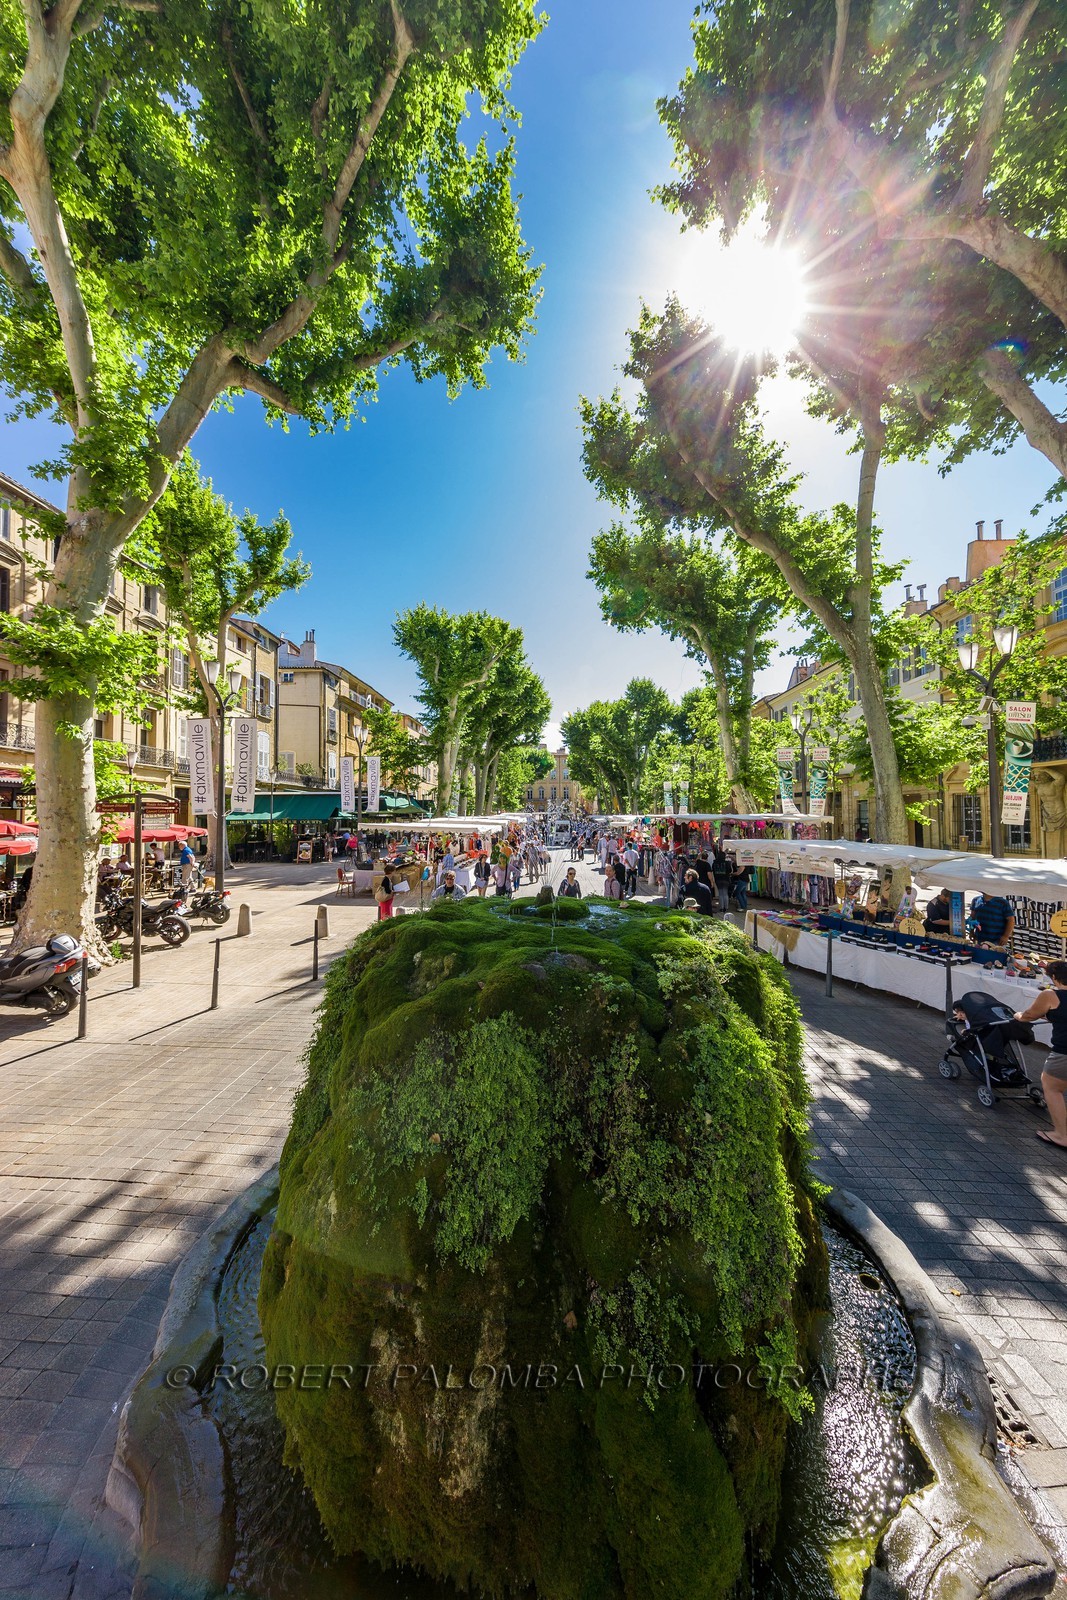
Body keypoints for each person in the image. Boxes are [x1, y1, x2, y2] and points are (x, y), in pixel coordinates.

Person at [1013, 960, 1067, 1151]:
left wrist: (1018, 1015)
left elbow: (1028, 1016)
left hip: (1064, 1052)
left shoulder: (1050, 995)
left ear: (1054, 977)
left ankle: (1062, 1135)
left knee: (1052, 1088)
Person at [711, 846, 733, 913]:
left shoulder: (714, 863)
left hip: (718, 879)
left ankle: (721, 908)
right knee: (725, 893)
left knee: (720, 894)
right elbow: (730, 871)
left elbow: (713, 871)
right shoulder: (727, 863)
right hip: (726, 879)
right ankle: (726, 907)